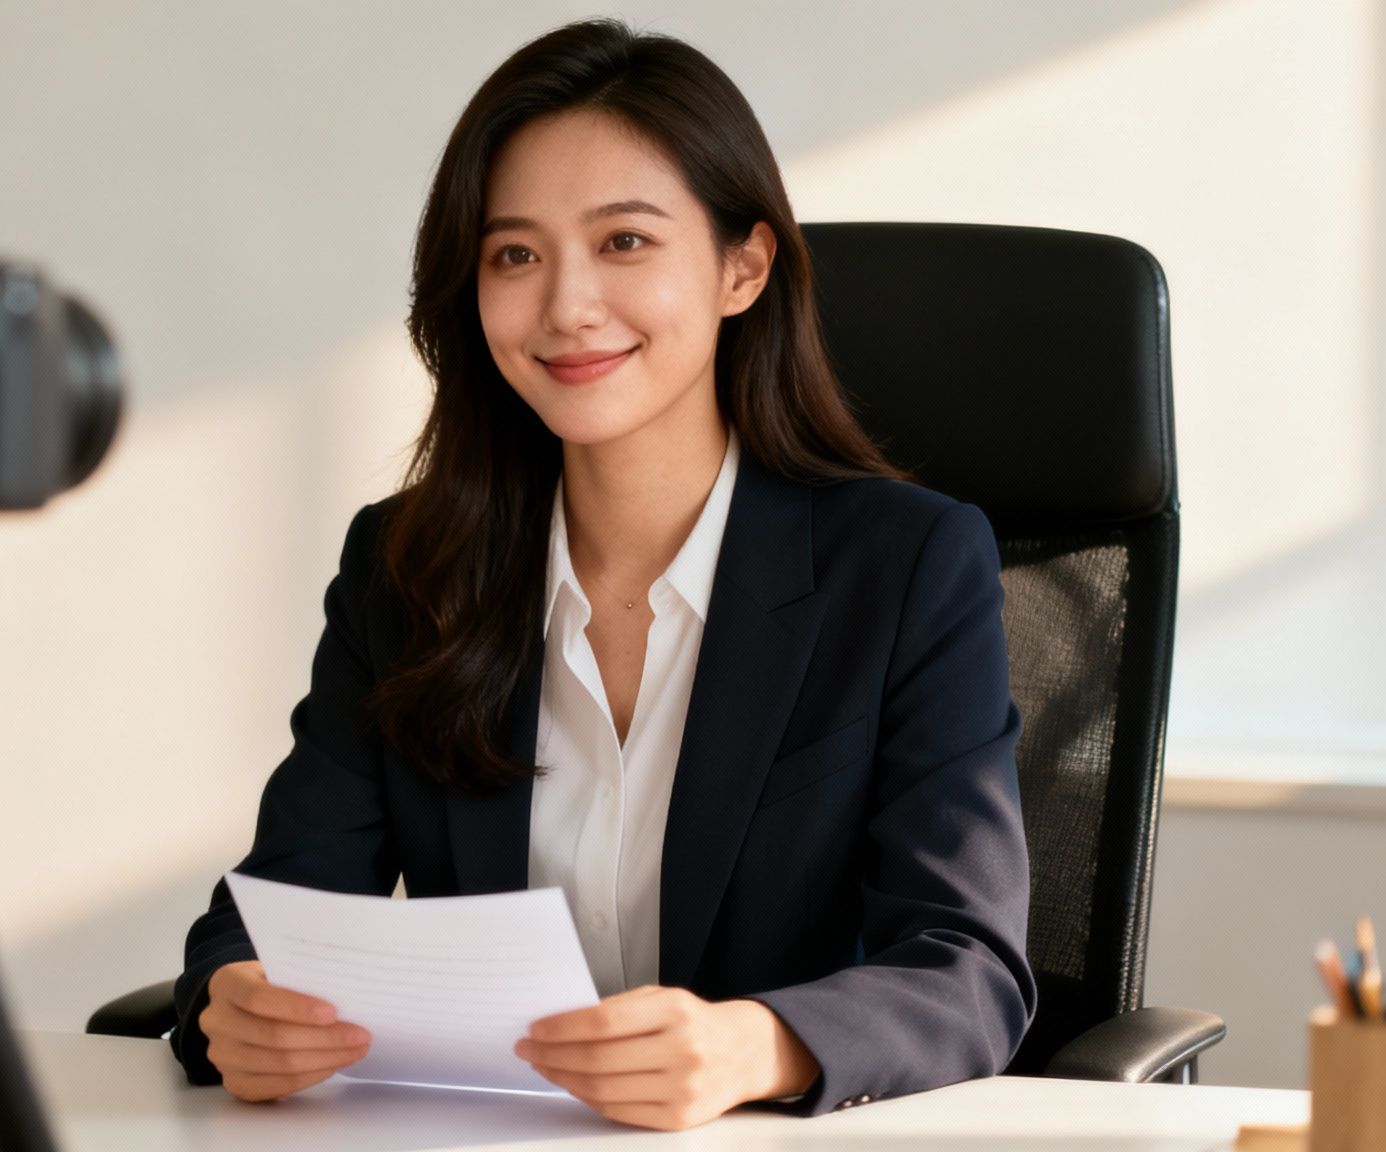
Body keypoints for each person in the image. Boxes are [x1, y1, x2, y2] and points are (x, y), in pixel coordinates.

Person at [168, 18, 1034, 1130]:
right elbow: (270, 912)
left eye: (623, 242)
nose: (565, 306)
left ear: (742, 266)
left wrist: (750, 1046)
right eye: (514, 254)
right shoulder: (406, 567)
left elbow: (968, 966)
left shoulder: (905, 566)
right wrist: (232, 1005)